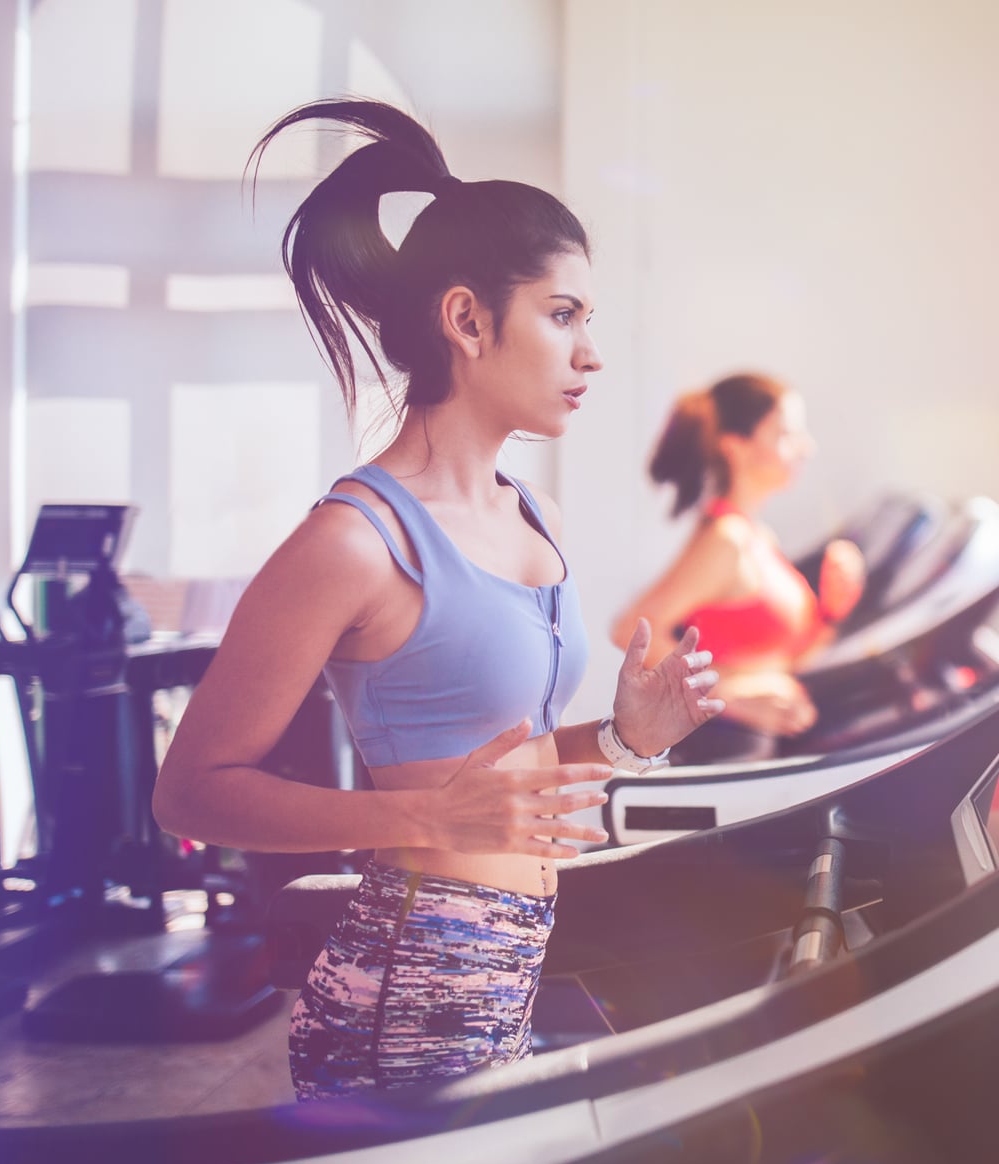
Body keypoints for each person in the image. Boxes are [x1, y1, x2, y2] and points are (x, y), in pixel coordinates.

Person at [150, 100, 723, 1101]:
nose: (589, 353)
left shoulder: (526, 513)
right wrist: (416, 815)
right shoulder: (353, 540)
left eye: (589, 321)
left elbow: (504, 782)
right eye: (561, 315)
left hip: (504, 983)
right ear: (465, 320)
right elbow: (189, 793)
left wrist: (628, 739)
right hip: (403, 1008)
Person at [610, 374, 865, 764]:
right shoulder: (726, 540)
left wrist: (835, 609)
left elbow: (783, 664)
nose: (806, 447)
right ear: (737, 447)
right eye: (786, 433)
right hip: (720, 760)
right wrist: (728, 692)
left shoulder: (758, 537)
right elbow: (630, 629)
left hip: (759, 759)